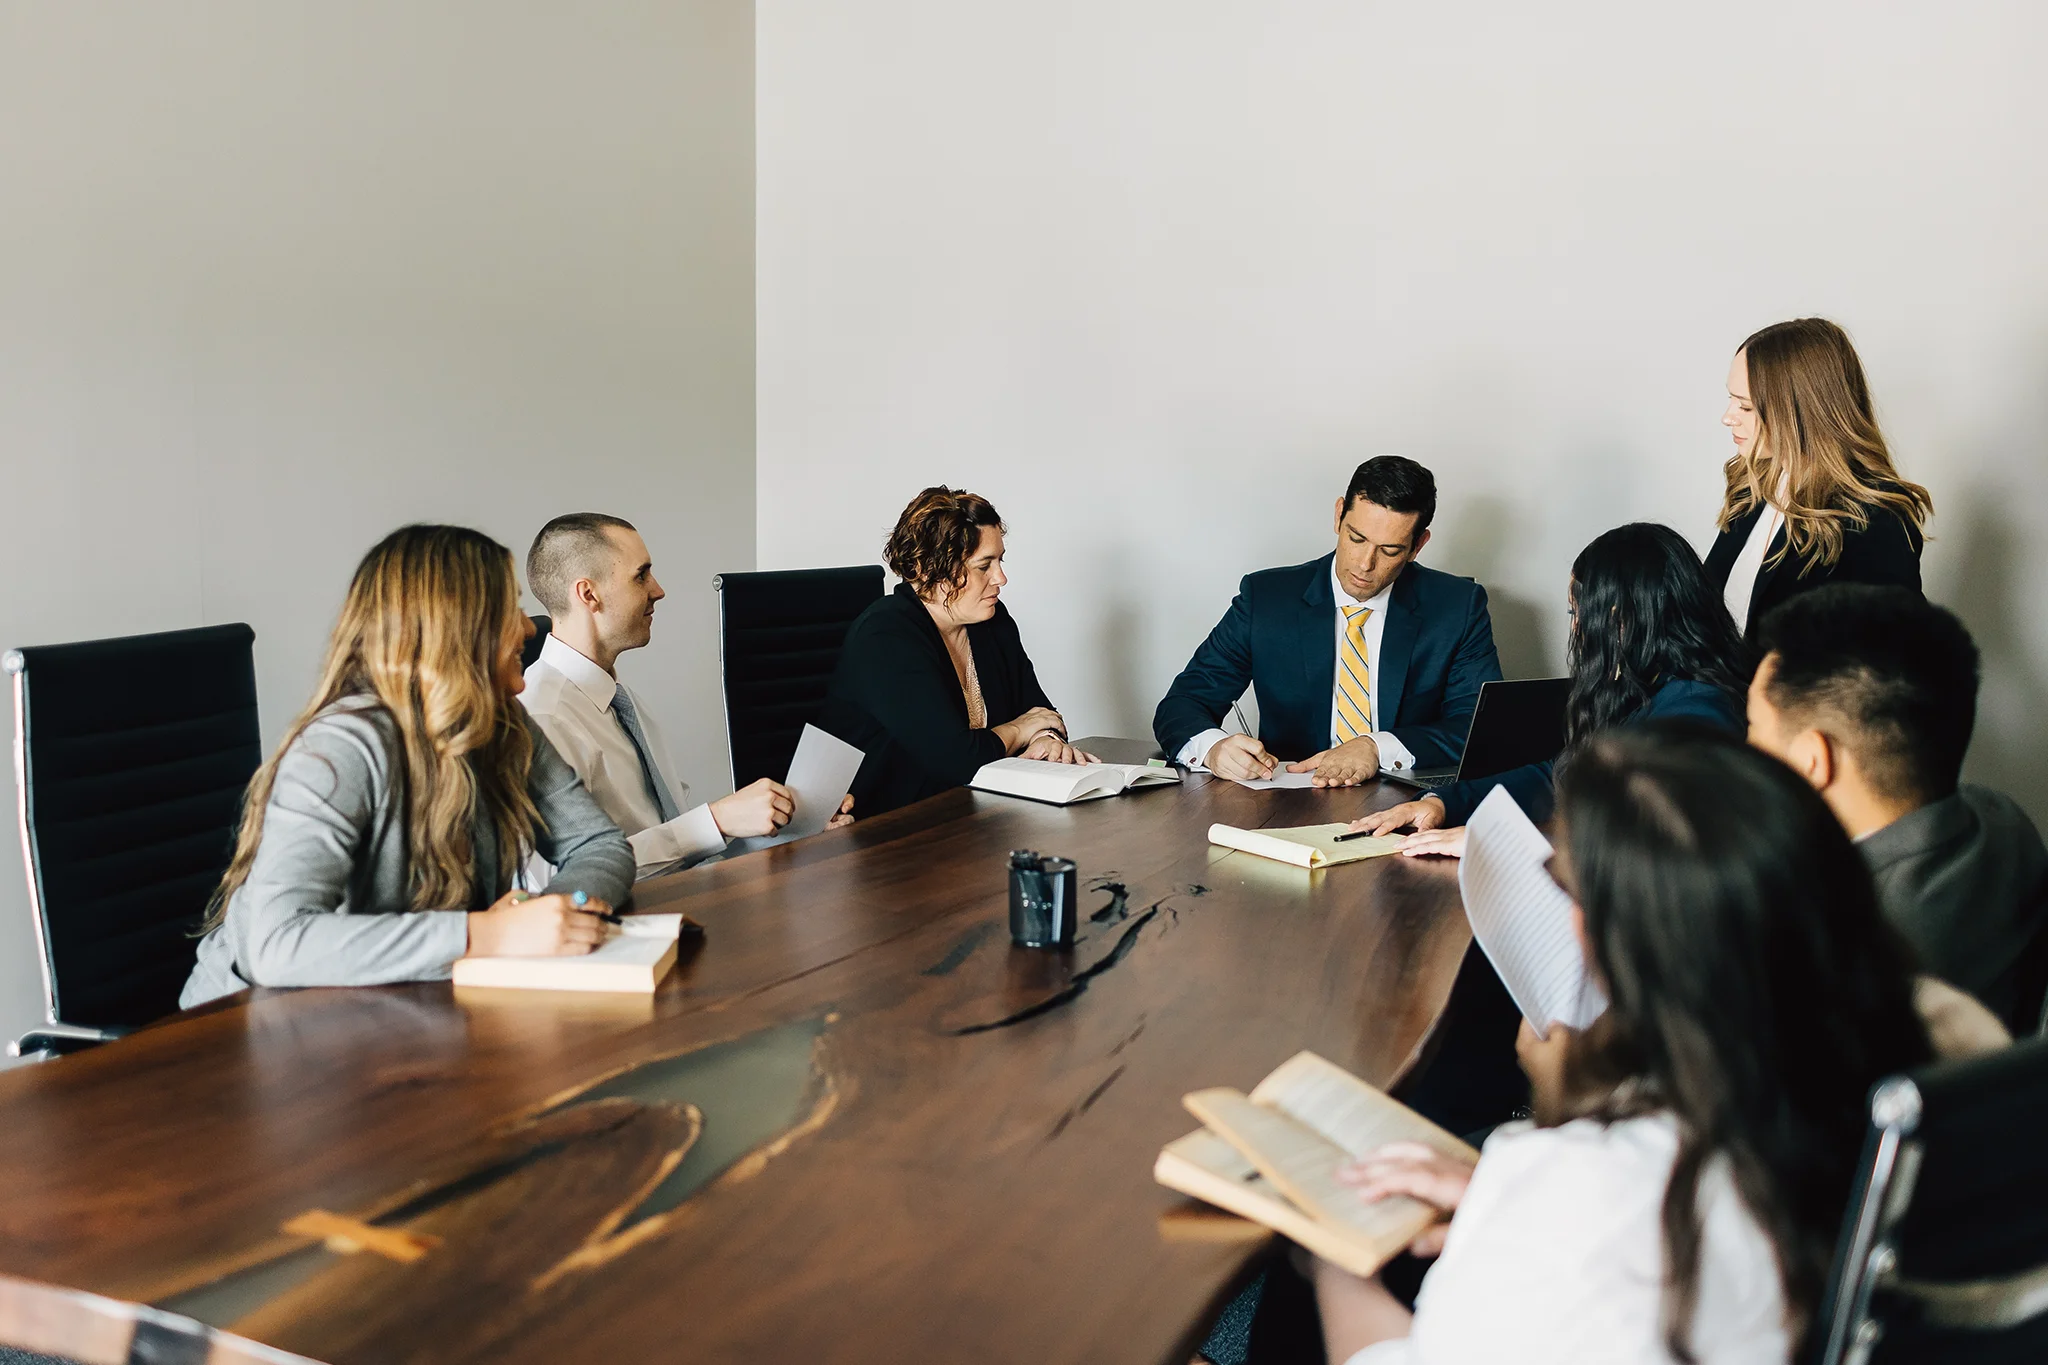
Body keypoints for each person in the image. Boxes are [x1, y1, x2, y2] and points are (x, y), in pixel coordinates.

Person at [1311, 727, 2003, 1365]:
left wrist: (1333, 1247)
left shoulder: (1591, 1187)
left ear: (1613, 940)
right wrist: (1500, 1196)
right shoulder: (1951, 1035)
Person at [181, 525, 635, 1009]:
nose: (529, 628)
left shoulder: (502, 721)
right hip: (253, 1027)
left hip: (398, 1009)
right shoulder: (339, 749)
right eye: (510, 608)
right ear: (456, 627)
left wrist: (541, 916)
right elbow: (276, 944)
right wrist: (483, 933)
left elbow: (598, 844)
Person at [1748, 584, 2048, 1033]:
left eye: (1753, 726)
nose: (1744, 748)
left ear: (1813, 761)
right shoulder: (2007, 824)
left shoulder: (1832, 949)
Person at [1347, 523, 1746, 855]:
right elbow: (1563, 775)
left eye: (1578, 612)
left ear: (1620, 617)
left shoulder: (1698, 711)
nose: (1575, 628)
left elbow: (1649, 843)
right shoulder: (1651, 689)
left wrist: (1498, 842)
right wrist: (1441, 802)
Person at [521, 513, 850, 880]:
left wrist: (790, 827)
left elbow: (683, 849)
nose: (658, 589)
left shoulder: (621, 702)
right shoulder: (542, 719)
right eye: (641, 575)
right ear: (589, 594)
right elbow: (561, 877)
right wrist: (717, 820)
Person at [1153, 457, 1502, 787]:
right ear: (1338, 516)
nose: (1365, 564)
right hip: (1287, 801)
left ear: (1417, 546)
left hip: (1404, 801)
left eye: (1390, 550)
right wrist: (1213, 749)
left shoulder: (1458, 606)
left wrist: (1377, 747)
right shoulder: (1267, 598)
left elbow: (1475, 726)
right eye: (1356, 538)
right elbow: (1183, 703)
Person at [820, 487, 1094, 817]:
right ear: (928, 569)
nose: (1001, 578)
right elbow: (957, 760)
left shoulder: (991, 620)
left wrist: (1047, 739)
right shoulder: (885, 636)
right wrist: (1021, 730)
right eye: (984, 566)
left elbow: (1039, 710)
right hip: (883, 832)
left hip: (968, 818)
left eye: (1000, 560)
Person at [1705, 317, 1933, 636]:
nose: (1727, 417)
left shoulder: (1874, 519)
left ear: (1798, 410)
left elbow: (1888, 663)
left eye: (1745, 407)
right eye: (1731, 400)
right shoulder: (1751, 486)